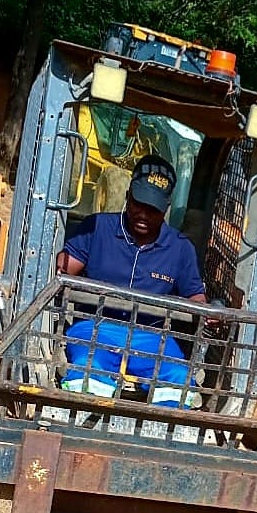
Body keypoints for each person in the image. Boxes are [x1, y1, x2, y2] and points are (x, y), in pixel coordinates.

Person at [56, 154, 206, 406]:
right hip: (94, 327)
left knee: (179, 381)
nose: (143, 215)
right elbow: (63, 270)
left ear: (166, 208)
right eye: (138, 204)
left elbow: (195, 295)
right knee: (89, 370)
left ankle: (160, 437)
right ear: (127, 196)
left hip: (152, 338)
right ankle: (81, 424)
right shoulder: (97, 228)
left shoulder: (180, 249)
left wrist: (208, 310)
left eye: (153, 209)